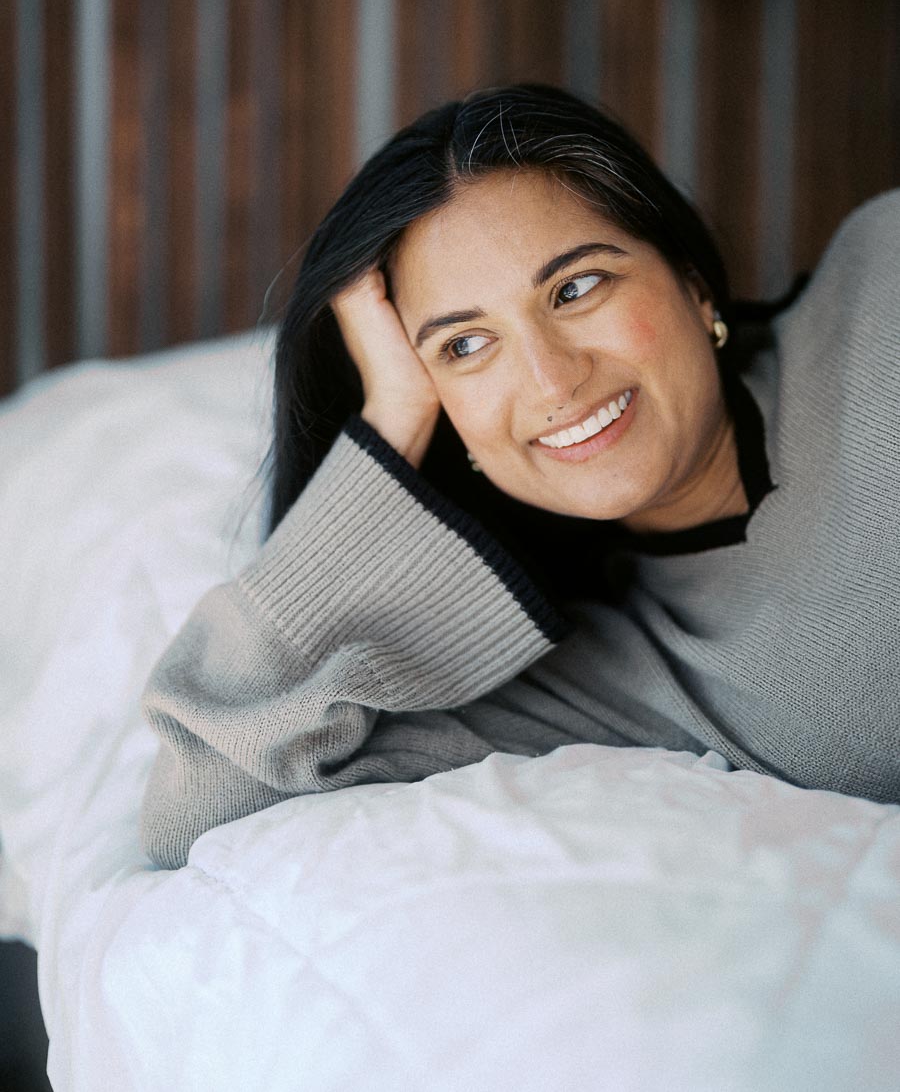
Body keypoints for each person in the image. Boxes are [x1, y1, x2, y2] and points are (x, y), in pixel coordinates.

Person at [141, 83, 900, 870]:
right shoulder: (594, 674)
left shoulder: (882, 286)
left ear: (691, 279)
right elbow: (197, 804)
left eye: (575, 288)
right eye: (464, 347)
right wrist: (391, 416)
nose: (551, 380)